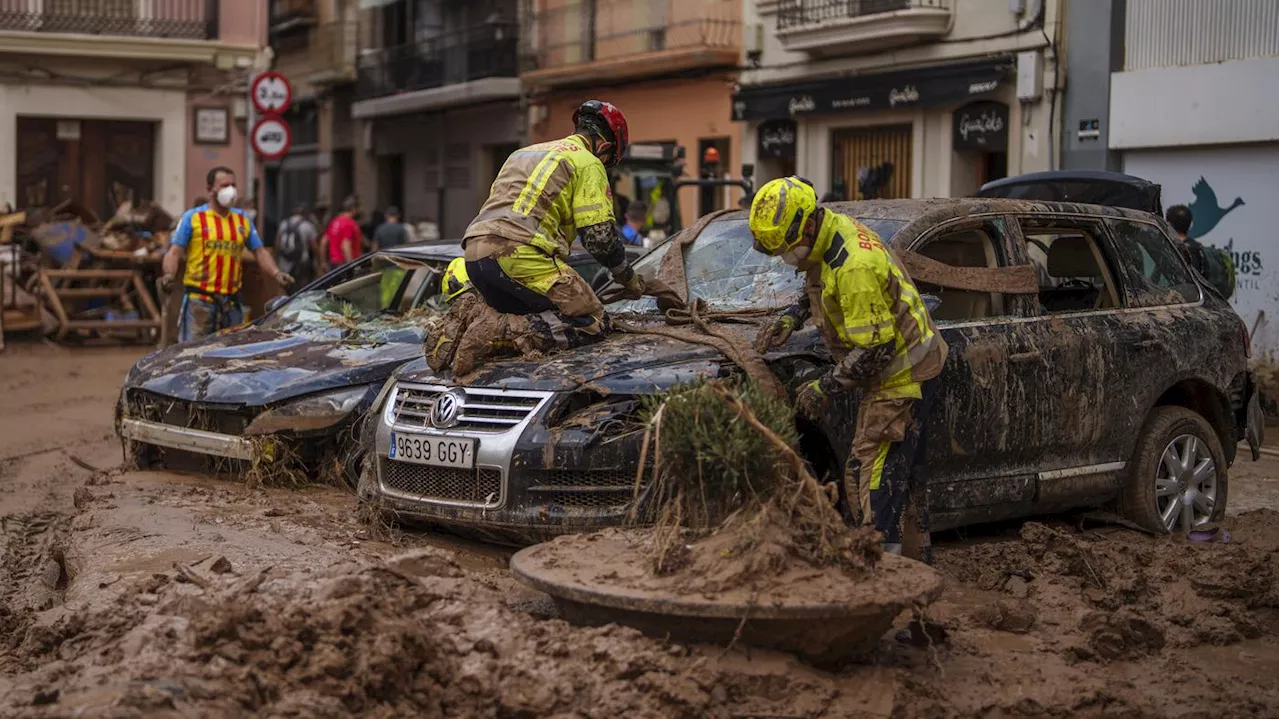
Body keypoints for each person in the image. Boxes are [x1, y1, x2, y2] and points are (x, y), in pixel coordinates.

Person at [750, 176, 948, 563]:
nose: (785, 259)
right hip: (913, 366)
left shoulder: (854, 266)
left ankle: (882, 577)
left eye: (786, 251)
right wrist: (793, 316)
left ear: (806, 225)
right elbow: (820, 282)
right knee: (903, 483)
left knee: (868, 480)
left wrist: (824, 387)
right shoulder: (830, 232)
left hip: (900, 378)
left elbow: (877, 347)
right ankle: (917, 571)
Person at [459, 99, 644, 354]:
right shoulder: (588, 163)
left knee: (541, 323)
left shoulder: (522, 153)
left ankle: (472, 327)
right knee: (593, 323)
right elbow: (600, 238)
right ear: (604, 146)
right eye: (608, 160)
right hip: (520, 255)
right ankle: (493, 332)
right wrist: (627, 277)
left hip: (474, 254)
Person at [162, 166, 293, 343]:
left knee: (230, 354)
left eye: (233, 185)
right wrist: (169, 275)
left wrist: (277, 274)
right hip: (199, 302)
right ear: (210, 190)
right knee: (192, 354)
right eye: (224, 185)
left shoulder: (242, 220)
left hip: (231, 303)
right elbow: (174, 252)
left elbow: (260, 251)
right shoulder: (193, 218)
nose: (230, 190)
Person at [276, 204, 318, 288]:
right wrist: (318, 263)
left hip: (285, 261)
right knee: (301, 286)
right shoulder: (307, 225)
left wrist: (277, 258)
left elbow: (277, 242)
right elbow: (314, 247)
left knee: (285, 286)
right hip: (301, 262)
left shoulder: (284, 223)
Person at [323, 196, 364, 270]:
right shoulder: (350, 223)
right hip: (344, 264)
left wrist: (323, 262)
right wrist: (351, 265)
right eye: (358, 208)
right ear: (353, 209)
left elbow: (323, 242)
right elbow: (345, 244)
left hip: (333, 263)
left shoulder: (334, 222)